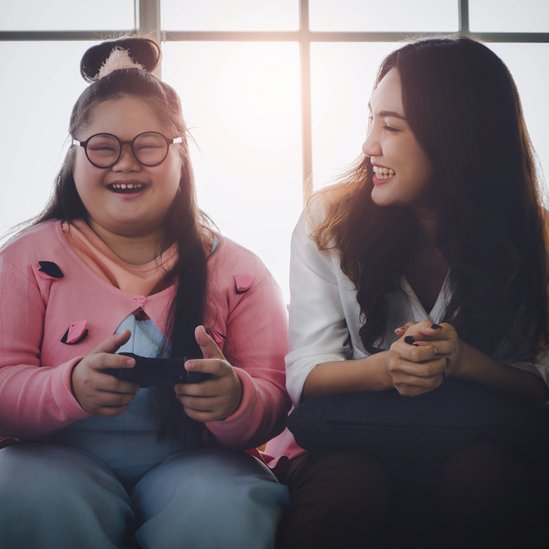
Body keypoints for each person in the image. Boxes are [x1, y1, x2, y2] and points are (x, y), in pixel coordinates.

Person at [0, 37, 291, 549]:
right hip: (53, 460)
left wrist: (234, 398)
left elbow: (274, 398)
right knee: (25, 492)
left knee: (226, 505)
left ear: (181, 159)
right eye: (104, 147)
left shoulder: (239, 270)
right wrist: (67, 388)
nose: (126, 163)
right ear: (74, 158)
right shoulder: (26, 258)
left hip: (198, 463)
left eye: (149, 145)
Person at [266, 36, 549, 549]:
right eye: (370, 121)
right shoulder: (326, 224)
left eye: (391, 126)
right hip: (357, 437)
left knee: (487, 481)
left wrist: (463, 362)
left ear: (456, 136)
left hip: (485, 437)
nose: (369, 145)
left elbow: (542, 380)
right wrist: (386, 369)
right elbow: (306, 374)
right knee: (345, 491)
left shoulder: (536, 238)